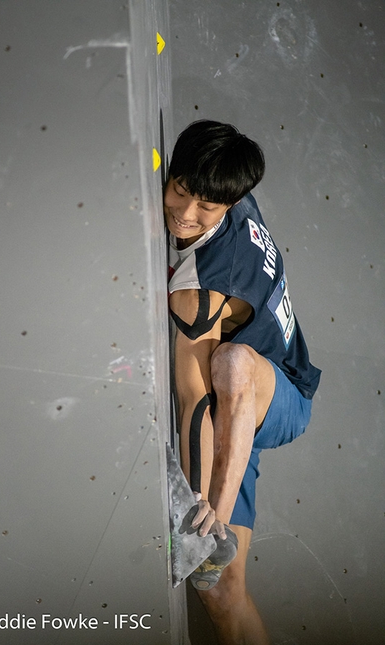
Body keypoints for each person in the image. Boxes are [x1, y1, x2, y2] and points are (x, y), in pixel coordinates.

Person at [165, 120, 321, 645]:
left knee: (229, 361)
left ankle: (217, 528)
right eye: (179, 192)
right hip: (240, 418)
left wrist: (204, 518)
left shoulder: (201, 287)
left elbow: (194, 400)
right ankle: (218, 534)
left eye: (203, 209)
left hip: (282, 396)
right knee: (223, 595)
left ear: (228, 207)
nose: (185, 215)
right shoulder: (228, 186)